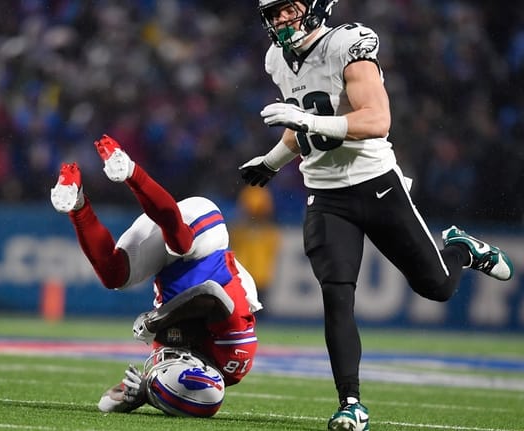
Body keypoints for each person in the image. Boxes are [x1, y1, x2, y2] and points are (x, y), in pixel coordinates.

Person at [240, 1, 515, 430]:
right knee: (336, 294)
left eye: (287, 9)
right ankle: (350, 402)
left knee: (438, 286)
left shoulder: (347, 44)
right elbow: (306, 120)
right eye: (272, 13)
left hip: (375, 183)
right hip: (326, 194)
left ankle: (460, 249)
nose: (279, 21)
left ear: (313, 6)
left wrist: (303, 119)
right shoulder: (278, 58)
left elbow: (376, 120)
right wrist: (273, 161)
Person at [50, 134, 263, 417]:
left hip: (167, 252)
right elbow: (210, 293)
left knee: (114, 275)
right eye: (167, 367)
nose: (161, 359)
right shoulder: (234, 355)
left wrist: (142, 394)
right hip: (203, 238)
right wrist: (155, 320)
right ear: (195, 363)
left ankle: (77, 203)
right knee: (181, 244)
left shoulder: (174, 366)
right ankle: (130, 170)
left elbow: (106, 402)